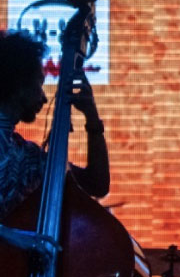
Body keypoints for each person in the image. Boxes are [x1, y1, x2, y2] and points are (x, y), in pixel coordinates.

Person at [0, 31, 110, 264]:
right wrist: (9, 235)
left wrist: (92, 118)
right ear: (18, 86)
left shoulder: (25, 156)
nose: (43, 98)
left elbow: (97, 183)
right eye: (38, 86)